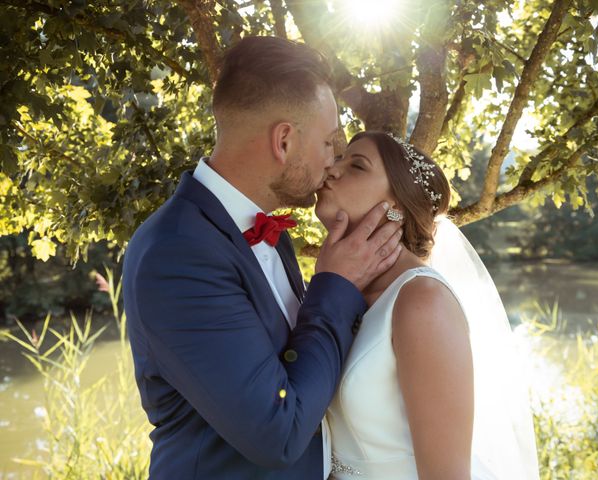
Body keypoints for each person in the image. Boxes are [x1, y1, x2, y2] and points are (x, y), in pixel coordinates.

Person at [122, 37, 403, 480]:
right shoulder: (177, 254)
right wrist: (335, 285)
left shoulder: (268, 234)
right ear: (285, 141)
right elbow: (279, 434)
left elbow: (300, 365)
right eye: (329, 143)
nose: (332, 163)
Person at [315, 131, 540, 479]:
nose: (332, 169)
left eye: (357, 165)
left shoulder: (422, 301)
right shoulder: (340, 292)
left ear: (397, 207)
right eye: (339, 158)